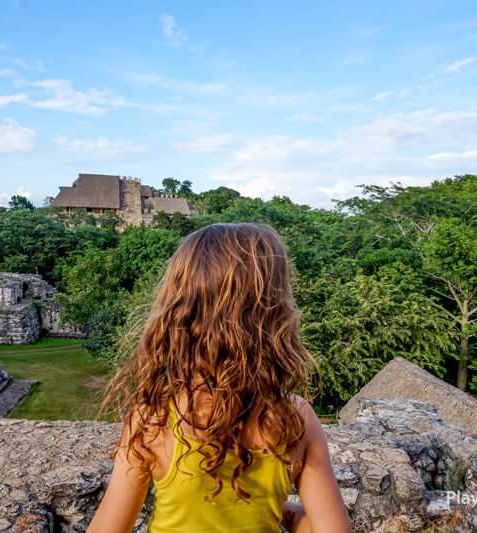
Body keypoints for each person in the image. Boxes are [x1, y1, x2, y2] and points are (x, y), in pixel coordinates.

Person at [88, 223, 351, 533]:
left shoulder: (152, 419)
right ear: (275, 314)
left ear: (180, 312)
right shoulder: (297, 420)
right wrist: (283, 511)